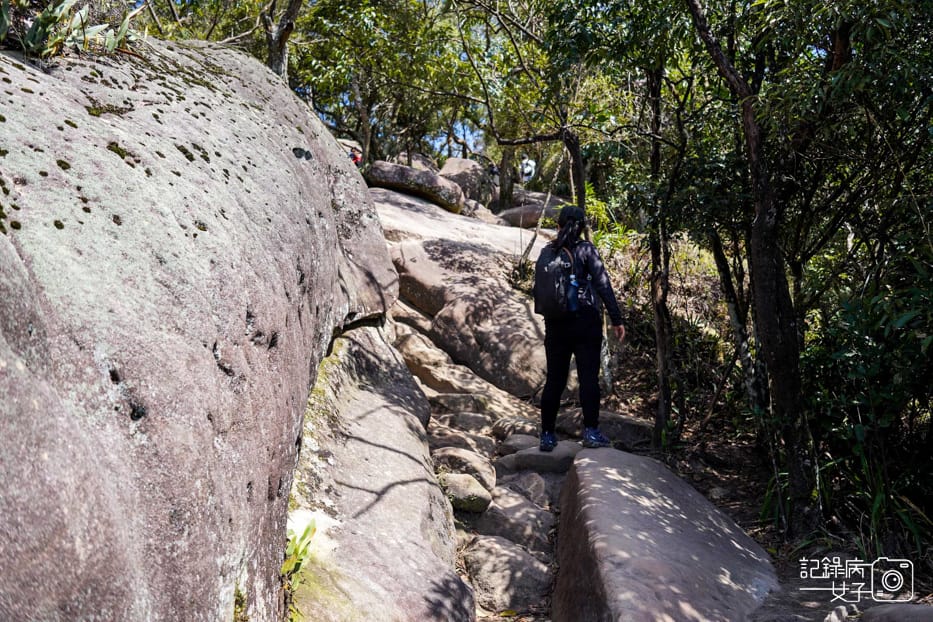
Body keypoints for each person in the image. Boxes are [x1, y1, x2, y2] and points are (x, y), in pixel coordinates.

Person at [536, 206, 625, 452]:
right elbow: (604, 286)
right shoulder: (587, 250)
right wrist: (617, 320)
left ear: (559, 225)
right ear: (583, 227)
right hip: (585, 322)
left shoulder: (548, 251)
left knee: (554, 379)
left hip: (555, 324)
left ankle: (546, 435)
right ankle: (591, 432)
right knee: (588, 378)